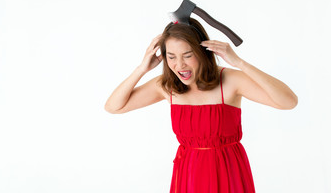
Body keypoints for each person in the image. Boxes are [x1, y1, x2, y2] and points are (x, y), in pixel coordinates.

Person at [104, 17, 298, 193]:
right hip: (188, 177)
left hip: (229, 174)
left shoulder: (230, 81)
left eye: (187, 55)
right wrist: (141, 69)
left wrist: (239, 62)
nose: (179, 65)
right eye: (171, 56)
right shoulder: (166, 86)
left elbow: (288, 101)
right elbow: (114, 106)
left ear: (203, 52)